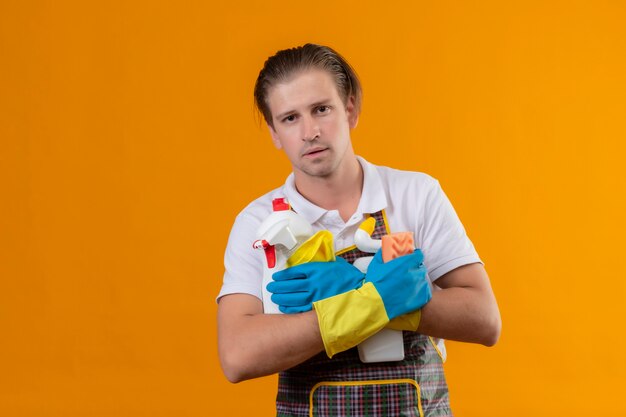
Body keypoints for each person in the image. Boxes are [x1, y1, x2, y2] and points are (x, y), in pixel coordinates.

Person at [217, 43, 501, 416]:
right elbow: (238, 355)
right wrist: (375, 294)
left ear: (350, 108)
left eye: (321, 109)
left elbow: (485, 319)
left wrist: (352, 285)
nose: (309, 132)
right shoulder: (260, 223)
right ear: (273, 132)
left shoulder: (415, 194)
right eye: (290, 118)